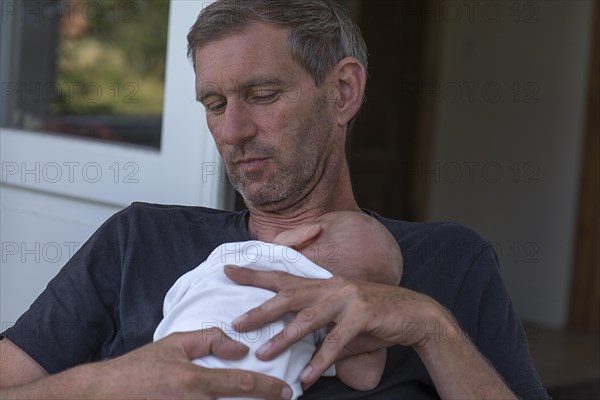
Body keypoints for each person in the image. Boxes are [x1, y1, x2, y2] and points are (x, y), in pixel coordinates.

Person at [0, 1, 549, 399]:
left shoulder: (451, 262)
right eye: (215, 104)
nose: (233, 130)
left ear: (343, 92)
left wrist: (431, 326)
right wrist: (105, 385)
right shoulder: (137, 240)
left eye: (262, 96)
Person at [153, 211, 403, 399]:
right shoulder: (329, 320)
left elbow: (176, 298)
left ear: (306, 235)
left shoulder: (233, 256)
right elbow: (366, 378)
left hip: (168, 370)